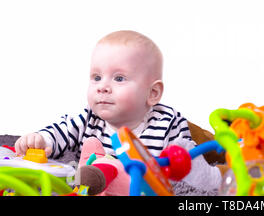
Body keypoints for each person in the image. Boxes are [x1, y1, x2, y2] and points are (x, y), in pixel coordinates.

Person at [15, 30, 221, 191]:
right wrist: (41, 139)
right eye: (96, 77)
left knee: (203, 146)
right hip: (98, 184)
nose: (102, 86)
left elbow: (184, 162)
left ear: (153, 93)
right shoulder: (88, 118)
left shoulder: (167, 122)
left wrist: (185, 163)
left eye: (119, 78)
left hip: (141, 185)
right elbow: (61, 131)